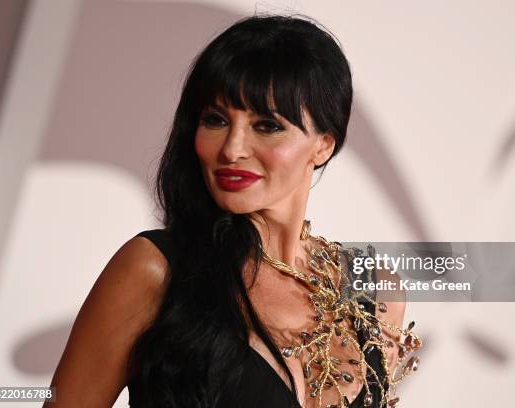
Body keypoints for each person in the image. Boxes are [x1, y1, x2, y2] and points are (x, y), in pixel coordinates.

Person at [44, 14, 421, 408]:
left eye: (267, 125)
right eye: (216, 120)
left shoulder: (376, 292)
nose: (232, 149)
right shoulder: (154, 270)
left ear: (324, 144)